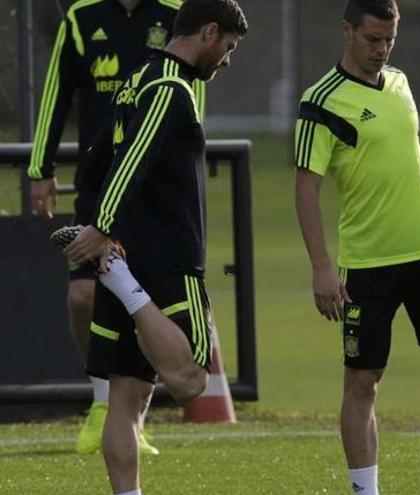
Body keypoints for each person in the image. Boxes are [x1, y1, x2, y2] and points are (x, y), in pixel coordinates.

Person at [294, 1, 420, 493]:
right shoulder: (320, 102)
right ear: (347, 31)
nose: (382, 50)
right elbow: (306, 189)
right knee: (362, 382)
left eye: (389, 40)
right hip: (368, 263)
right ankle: (366, 490)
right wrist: (321, 267)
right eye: (373, 39)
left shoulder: (400, 83)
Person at [58, 1, 247, 493]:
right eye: (227, 48)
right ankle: (120, 280)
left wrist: (99, 225)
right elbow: (132, 162)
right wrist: (100, 229)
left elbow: (96, 161)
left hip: (125, 250)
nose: (227, 60)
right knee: (190, 380)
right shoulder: (171, 88)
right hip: (166, 262)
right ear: (208, 33)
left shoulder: (136, 80)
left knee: (128, 398)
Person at [28, 0, 205, 455]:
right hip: (103, 182)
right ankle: (102, 400)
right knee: (81, 296)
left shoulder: (175, 14)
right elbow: (57, 92)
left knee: (170, 341)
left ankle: (130, 407)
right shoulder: (82, 18)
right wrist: (40, 168)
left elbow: (191, 97)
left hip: (158, 198)